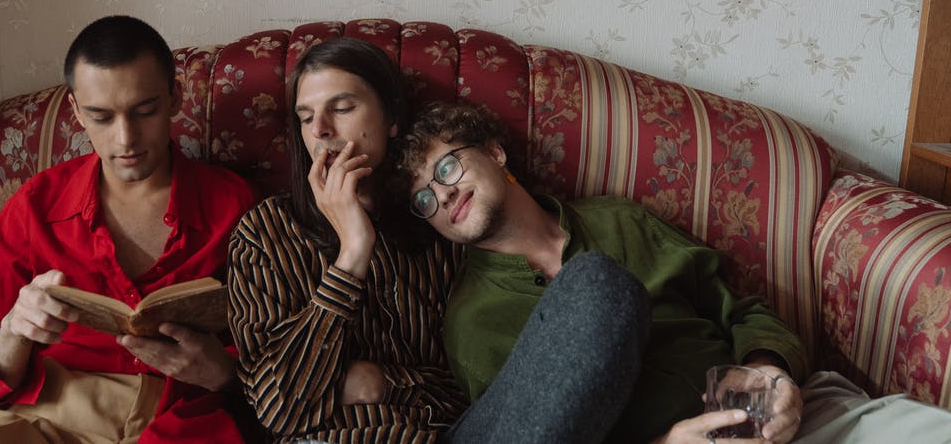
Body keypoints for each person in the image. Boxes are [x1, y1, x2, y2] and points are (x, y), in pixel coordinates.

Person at [396, 100, 951, 444]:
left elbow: (739, 307)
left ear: (494, 152)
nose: (442, 195)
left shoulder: (618, 220)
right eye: (424, 200)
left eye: (448, 166)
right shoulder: (471, 322)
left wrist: (769, 373)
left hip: (771, 416)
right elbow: (536, 433)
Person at [0, 15, 258, 444]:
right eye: (101, 117)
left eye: (144, 111)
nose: (125, 138)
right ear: (75, 111)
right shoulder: (35, 207)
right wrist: (15, 329)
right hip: (48, 419)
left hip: (179, 423)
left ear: (174, 98)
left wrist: (222, 373)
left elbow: (286, 364)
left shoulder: (235, 206)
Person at [226, 38, 651, 444]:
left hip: (456, 435)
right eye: (305, 117)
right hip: (328, 440)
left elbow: (499, 377)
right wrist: (352, 253)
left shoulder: (443, 221)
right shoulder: (265, 234)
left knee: (593, 282)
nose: (320, 129)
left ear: (391, 118)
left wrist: (383, 381)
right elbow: (278, 409)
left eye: (342, 107)